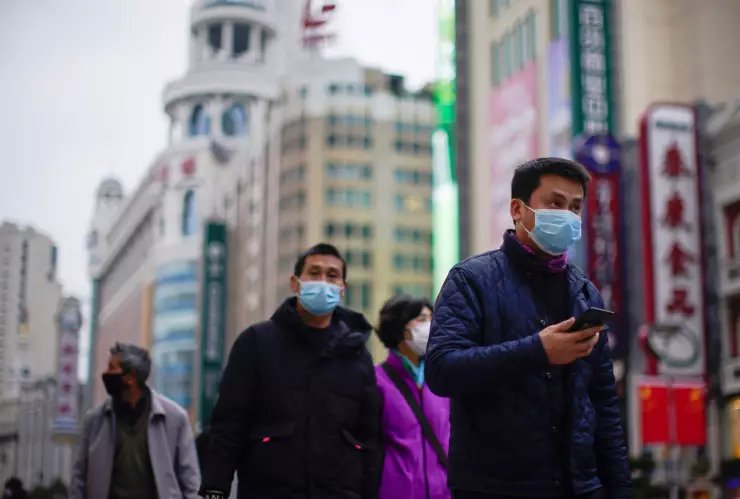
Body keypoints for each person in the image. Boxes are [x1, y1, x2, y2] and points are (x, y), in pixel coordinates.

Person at [425, 158, 631, 499]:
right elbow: (441, 369)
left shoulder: (584, 293)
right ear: (518, 210)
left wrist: (620, 489)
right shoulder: (471, 280)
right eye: (554, 203)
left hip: (579, 487)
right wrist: (537, 352)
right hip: (494, 488)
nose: (567, 215)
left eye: (575, 207)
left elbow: (604, 403)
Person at [199, 243, 381, 499]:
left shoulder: (357, 355)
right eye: (314, 273)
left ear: (342, 289)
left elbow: (369, 437)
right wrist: (215, 487)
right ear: (295, 284)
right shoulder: (257, 343)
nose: (323, 282)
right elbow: (229, 423)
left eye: (332, 276)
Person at [70, 343, 200, 499]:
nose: (106, 374)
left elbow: (190, 480)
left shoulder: (174, 418)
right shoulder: (94, 420)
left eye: (112, 368)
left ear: (130, 377)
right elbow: (79, 478)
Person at [374, 295, 450, 499]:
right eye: (422, 319)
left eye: (432, 318)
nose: (431, 326)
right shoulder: (377, 381)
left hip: (442, 493)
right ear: (400, 326)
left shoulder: (441, 380)